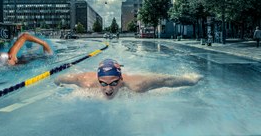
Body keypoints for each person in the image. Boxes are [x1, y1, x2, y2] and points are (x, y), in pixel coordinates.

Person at [54, 59, 202, 100]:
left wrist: (191, 80)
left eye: (114, 83)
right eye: (103, 84)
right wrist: (58, 84)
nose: (108, 89)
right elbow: (61, 79)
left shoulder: (137, 85)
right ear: (98, 80)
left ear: (121, 79)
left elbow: (165, 81)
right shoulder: (85, 82)